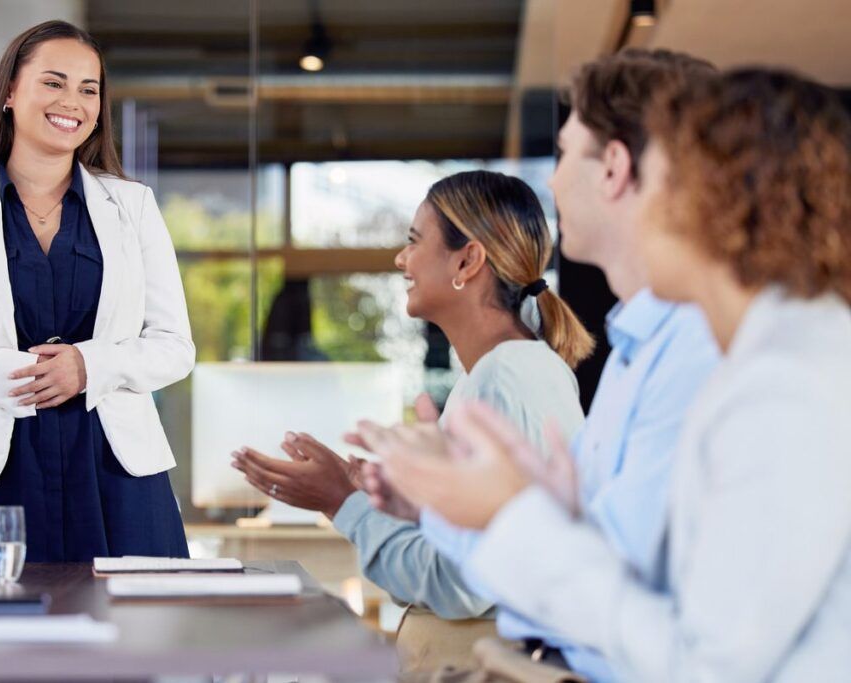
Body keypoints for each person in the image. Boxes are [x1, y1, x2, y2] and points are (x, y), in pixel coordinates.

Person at [361, 68, 851, 682]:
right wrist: (508, 508)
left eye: (655, 179)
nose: (636, 205)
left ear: (723, 199)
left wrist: (518, 515)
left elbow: (703, 665)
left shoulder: (785, 385)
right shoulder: (754, 362)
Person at [232, 171, 593, 646]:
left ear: (467, 261)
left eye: (414, 241)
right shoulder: (507, 372)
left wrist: (342, 501)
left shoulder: (501, 379)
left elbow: (459, 582)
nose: (401, 259)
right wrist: (397, 501)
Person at [0, 21, 195, 561]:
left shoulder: (134, 207)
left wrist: (88, 367)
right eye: (54, 83)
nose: (73, 103)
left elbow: (175, 346)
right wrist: (19, 376)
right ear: (9, 92)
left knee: (138, 638)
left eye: (89, 89)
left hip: (116, 471)